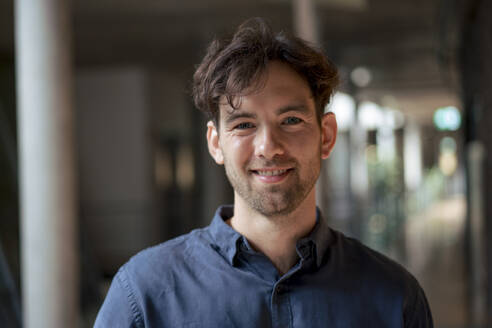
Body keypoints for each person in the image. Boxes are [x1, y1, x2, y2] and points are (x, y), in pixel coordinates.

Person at [94, 18, 433, 327]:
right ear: (215, 144)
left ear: (326, 135)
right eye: (244, 125)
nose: (268, 147)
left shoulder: (394, 297)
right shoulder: (144, 294)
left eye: (291, 121)